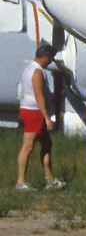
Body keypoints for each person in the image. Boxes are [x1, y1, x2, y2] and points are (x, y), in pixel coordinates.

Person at [16, 41, 62, 190]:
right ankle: (21, 182)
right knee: (28, 147)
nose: (50, 63)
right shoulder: (37, 72)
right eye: (50, 59)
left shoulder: (28, 69)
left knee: (47, 144)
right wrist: (47, 117)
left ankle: (50, 179)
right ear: (45, 58)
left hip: (29, 110)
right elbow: (39, 96)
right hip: (34, 112)